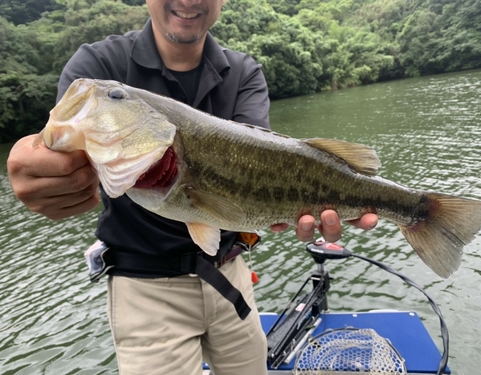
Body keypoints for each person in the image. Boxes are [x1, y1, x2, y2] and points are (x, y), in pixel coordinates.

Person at [7, 0, 378, 374]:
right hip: (144, 288)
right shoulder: (98, 68)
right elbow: (57, 145)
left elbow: (265, 160)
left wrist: (289, 204)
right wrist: (40, 162)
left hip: (230, 274)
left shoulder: (245, 71)